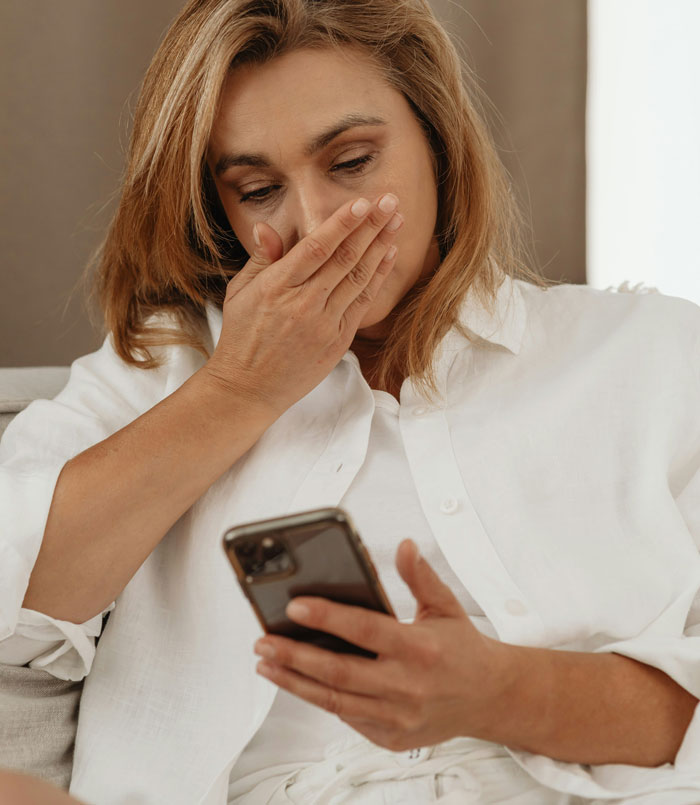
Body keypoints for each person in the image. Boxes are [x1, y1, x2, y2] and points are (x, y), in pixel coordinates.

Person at [1, 0, 700, 803]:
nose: (316, 222)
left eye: (353, 161)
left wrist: (501, 690)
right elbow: (14, 591)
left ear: (438, 142)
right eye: (259, 188)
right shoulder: (164, 369)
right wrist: (239, 390)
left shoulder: (652, 354)